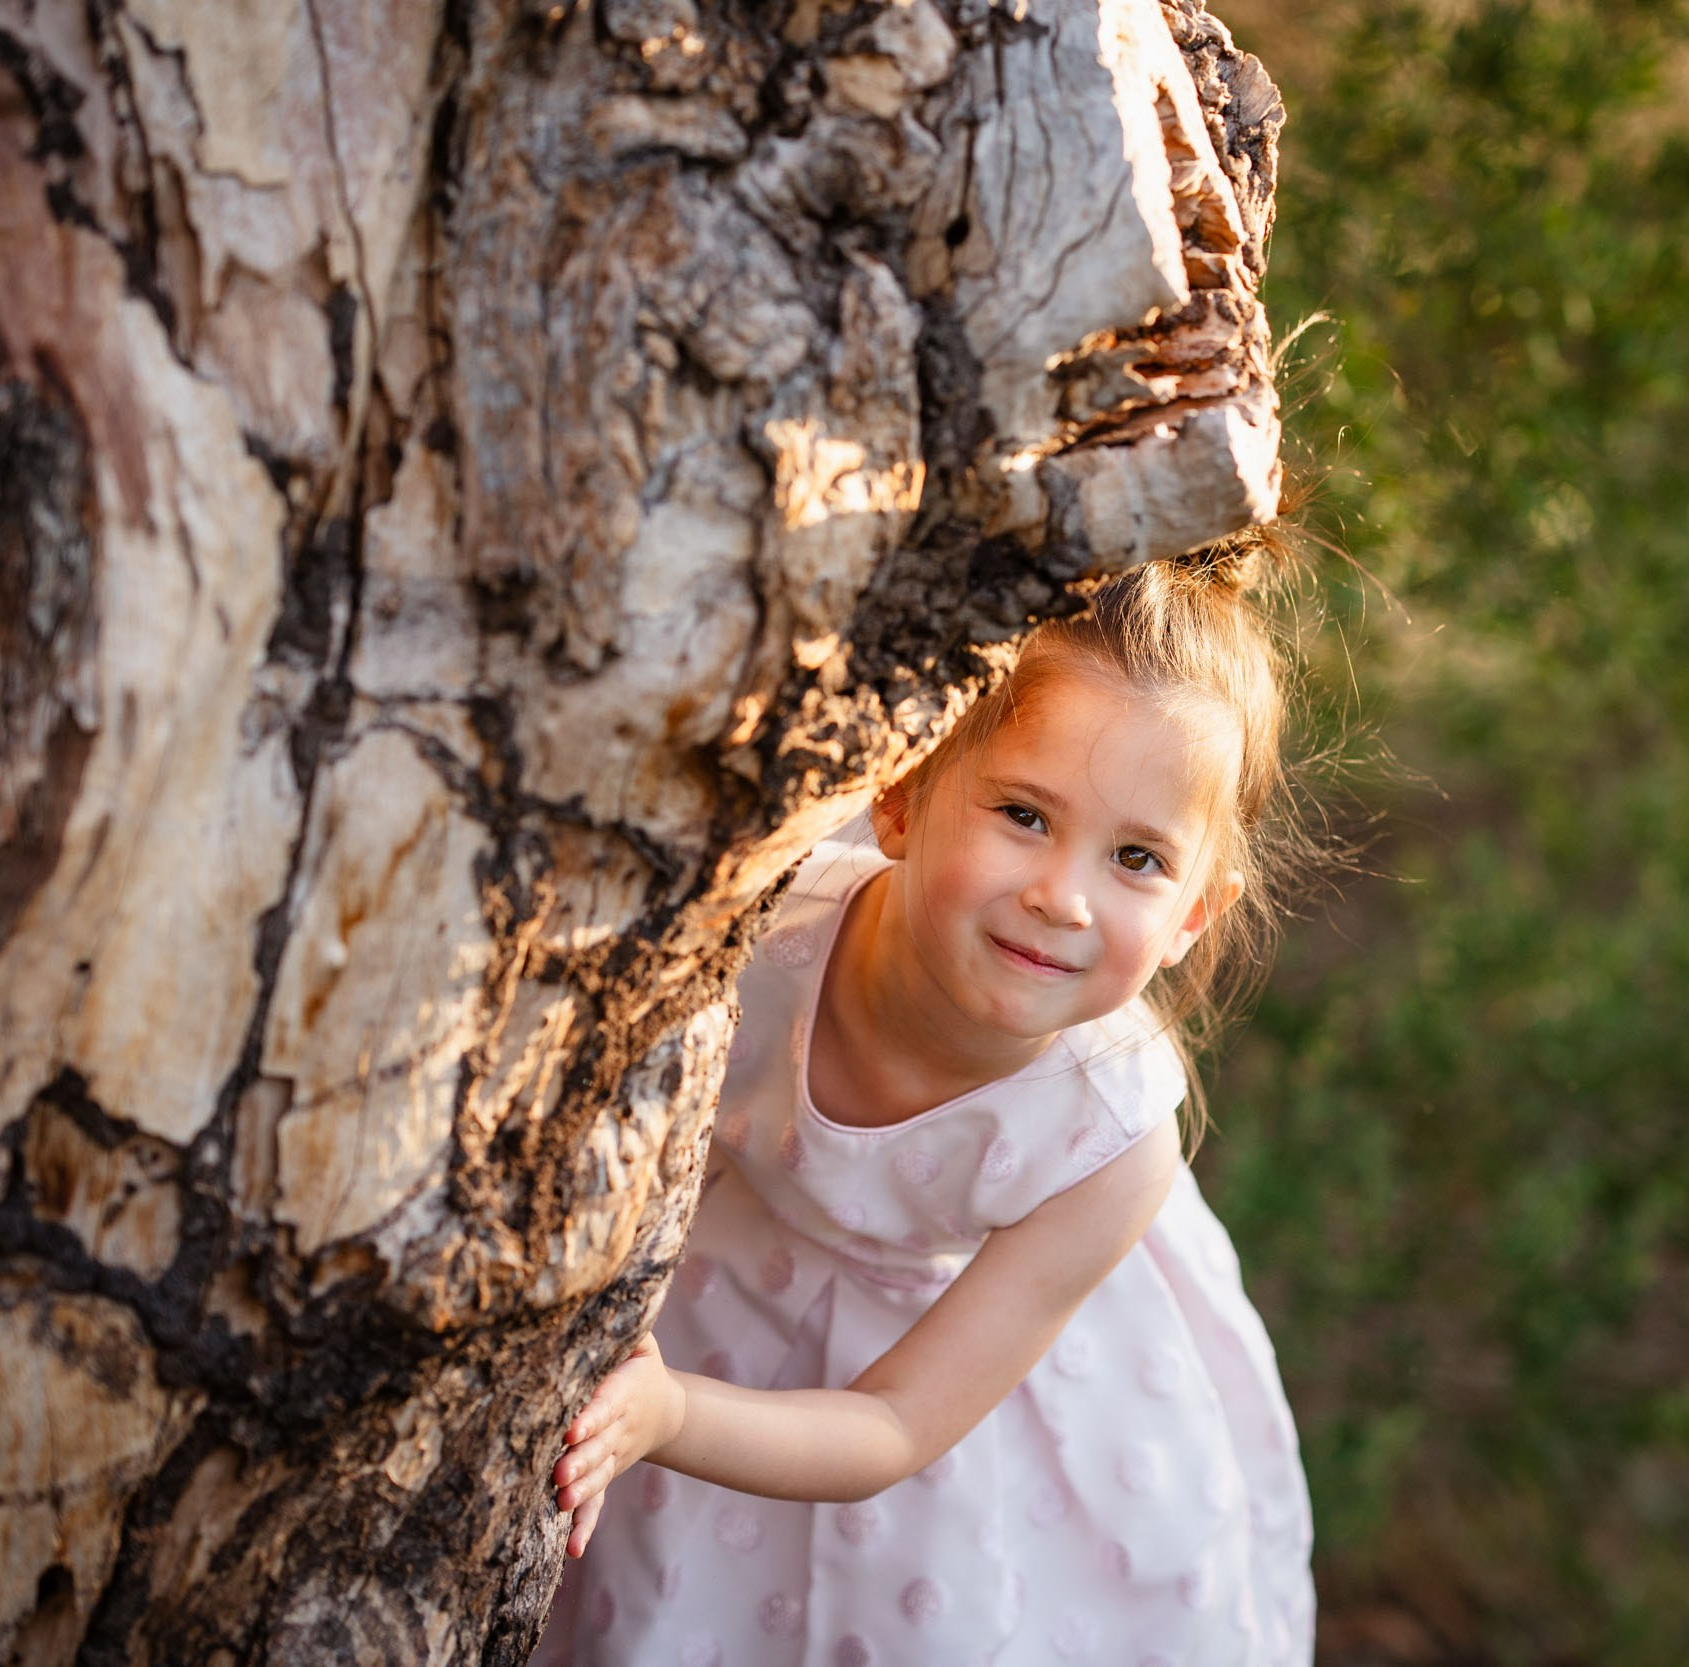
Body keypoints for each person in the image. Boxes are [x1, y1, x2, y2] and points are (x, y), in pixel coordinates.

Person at [534, 550, 1318, 1666]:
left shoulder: (1109, 1141)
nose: (1063, 894)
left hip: (955, 1398)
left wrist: (669, 1415)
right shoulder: (757, 917)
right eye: (1022, 813)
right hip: (714, 1284)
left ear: (1194, 913)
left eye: (1136, 856)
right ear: (900, 796)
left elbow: (898, 1421)